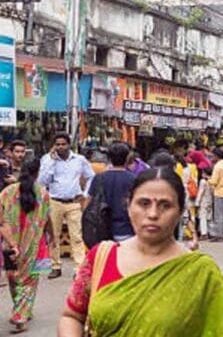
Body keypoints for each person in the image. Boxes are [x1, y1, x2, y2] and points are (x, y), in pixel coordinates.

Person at [58, 167, 223, 337]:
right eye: (143, 203)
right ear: (128, 206)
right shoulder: (101, 257)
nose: (152, 214)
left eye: (165, 205)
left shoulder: (201, 272)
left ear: (179, 211)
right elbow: (72, 316)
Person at [0, 158, 54, 333]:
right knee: (29, 281)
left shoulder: (7, 192)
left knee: (14, 278)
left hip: (9, 244)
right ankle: (21, 315)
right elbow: (47, 218)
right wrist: (52, 236)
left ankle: (22, 308)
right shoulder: (43, 194)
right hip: (34, 244)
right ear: (38, 173)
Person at [38, 132, 95, 279]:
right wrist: (51, 161)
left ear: (69, 145)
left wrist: (85, 193)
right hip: (54, 202)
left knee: (77, 236)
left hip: (74, 202)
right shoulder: (47, 159)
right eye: (57, 144)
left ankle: (79, 269)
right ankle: (55, 266)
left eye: (63, 144)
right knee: (53, 236)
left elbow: (91, 176)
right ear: (53, 145)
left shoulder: (79, 160)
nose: (60, 147)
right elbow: (42, 181)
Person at [86, 142, 136, 242]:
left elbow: (89, 202)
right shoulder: (133, 179)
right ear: (127, 158)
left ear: (109, 158)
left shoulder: (99, 178)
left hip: (102, 231)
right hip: (127, 229)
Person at [195, 166, 214, 241]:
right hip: (210, 201)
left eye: (203, 172)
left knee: (202, 217)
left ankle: (204, 233)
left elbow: (200, 192)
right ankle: (211, 232)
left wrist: (197, 202)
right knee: (209, 218)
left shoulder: (203, 181)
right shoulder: (212, 180)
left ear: (205, 173)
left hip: (203, 201)